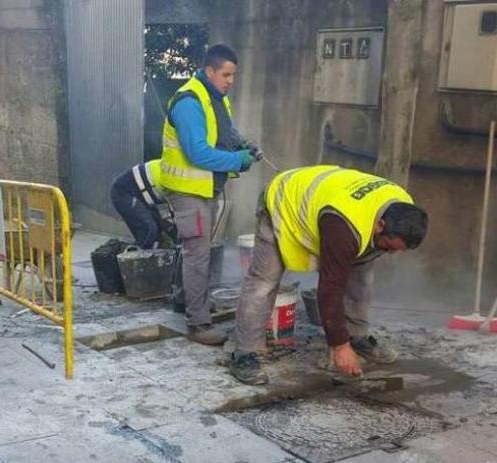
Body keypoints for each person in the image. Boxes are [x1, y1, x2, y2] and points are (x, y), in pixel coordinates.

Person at [228, 165, 429, 385]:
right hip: (284, 202)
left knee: (362, 280)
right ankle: (244, 354)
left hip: (333, 204)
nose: (389, 254)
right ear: (381, 224)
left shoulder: (402, 204)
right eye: (389, 246)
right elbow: (330, 288)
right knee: (263, 282)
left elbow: (364, 259)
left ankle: (357, 335)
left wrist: (345, 338)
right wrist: (339, 346)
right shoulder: (344, 226)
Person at [160, 44, 261, 346]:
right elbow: (198, 153)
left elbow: (226, 132)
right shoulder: (190, 102)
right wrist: (237, 160)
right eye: (226, 75)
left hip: (204, 188)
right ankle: (198, 323)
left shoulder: (215, 98)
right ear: (209, 71)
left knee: (194, 250)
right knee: (198, 255)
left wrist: (245, 144)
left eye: (234, 75)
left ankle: (187, 301)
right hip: (188, 191)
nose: (231, 81)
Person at [110, 160, 172, 249]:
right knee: (148, 229)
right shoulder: (180, 183)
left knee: (160, 230)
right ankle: (138, 259)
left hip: (143, 191)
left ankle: (144, 253)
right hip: (124, 191)